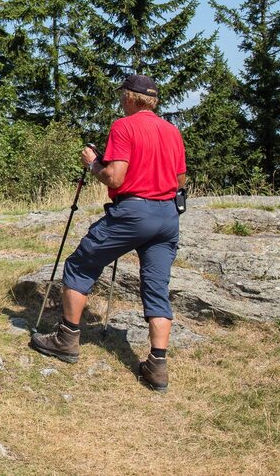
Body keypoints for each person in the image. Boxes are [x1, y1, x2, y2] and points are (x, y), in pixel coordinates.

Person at [29, 74, 187, 393]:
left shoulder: (124, 126)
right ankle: (157, 364)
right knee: (156, 285)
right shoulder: (172, 131)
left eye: (122, 95)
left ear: (130, 97)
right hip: (167, 214)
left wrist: (92, 163)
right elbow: (181, 178)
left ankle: (66, 338)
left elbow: (114, 178)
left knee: (80, 265)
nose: (120, 100)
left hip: (133, 212)